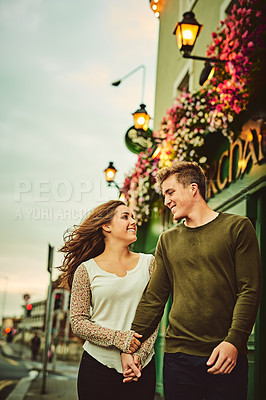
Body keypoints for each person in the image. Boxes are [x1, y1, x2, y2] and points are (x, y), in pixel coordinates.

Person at [121, 161, 262, 400]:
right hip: (178, 358)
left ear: (193, 189)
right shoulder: (167, 240)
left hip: (226, 354)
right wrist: (130, 345)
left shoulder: (237, 227)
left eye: (170, 192)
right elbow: (154, 298)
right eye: (164, 195)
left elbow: (249, 290)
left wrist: (234, 341)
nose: (166, 201)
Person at [58, 200, 158, 400]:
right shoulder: (86, 270)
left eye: (133, 216)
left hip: (141, 369)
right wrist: (120, 339)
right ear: (106, 226)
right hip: (96, 367)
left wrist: (140, 355)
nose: (133, 221)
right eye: (125, 216)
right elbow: (78, 322)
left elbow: (156, 313)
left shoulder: (150, 263)